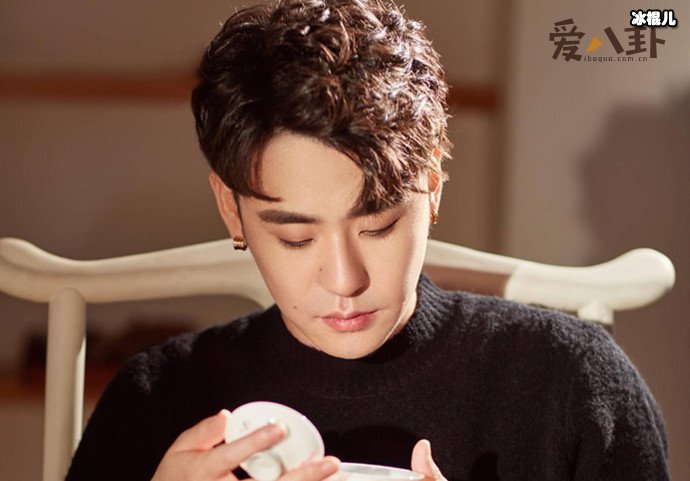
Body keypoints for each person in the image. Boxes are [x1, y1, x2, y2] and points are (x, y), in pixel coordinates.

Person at [66, 0, 670, 480]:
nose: (345, 279)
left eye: (377, 226)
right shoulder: (157, 400)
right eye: (296, 238)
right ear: (232, 209)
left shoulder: (568, 382)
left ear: (432, 187)